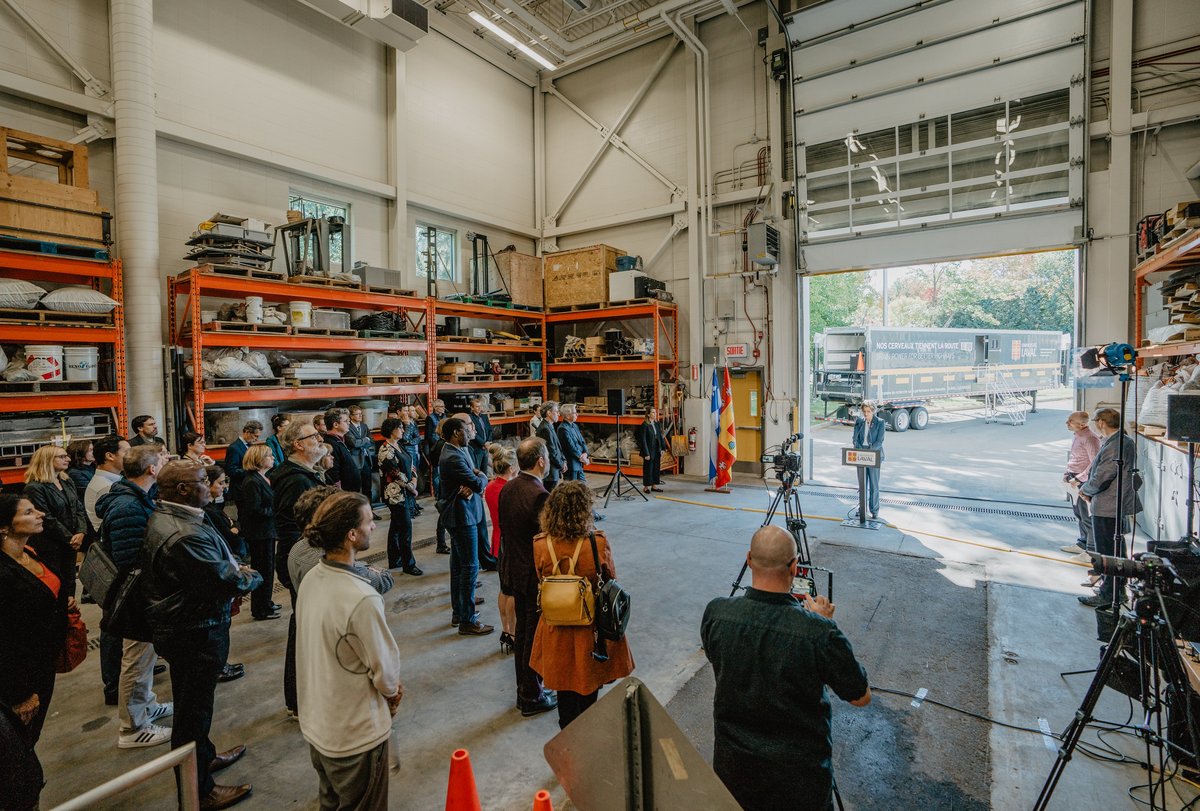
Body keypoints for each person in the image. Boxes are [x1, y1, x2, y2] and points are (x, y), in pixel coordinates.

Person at [702, 526, 871, 811]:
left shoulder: (716, 613)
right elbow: (860, 696)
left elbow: (717, 657)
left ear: (748, 559)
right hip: (798, 783)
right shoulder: (818, 633)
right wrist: (824, 624)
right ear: (794, 567)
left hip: (733, 775)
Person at [142, 461, 262, 810]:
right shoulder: (184, 533)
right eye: (202, 482)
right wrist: (250, 576)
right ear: (182, 489)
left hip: (191, 625)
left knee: (195, 707)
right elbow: (225, 579)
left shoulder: (178, 516)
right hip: (194, 631)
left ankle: (203, 756)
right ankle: (199, 791)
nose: (211, 487)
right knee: (193, 713)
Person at [295, 491, 402, 810]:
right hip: (356, 738)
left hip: (320, 728)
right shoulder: (362, 598)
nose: (373, 527)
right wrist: (392, 694)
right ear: (351, 534)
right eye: (369, 522)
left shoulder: (313, 578)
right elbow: (386, 674)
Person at [529, 481, 632, 728]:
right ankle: (586, 740)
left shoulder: (541, 544)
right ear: (585, 509)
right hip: (589, 630)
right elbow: (611, 581)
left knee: (564, 688)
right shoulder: (596, 543)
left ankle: (567, 741)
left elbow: (540, 580)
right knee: (588, 687)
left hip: (556, 629)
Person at [96, 446, 174, 749]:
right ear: (152, 470)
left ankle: (146, 705)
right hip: (136, 597)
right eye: (163, 460)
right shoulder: (128, 507)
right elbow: (132, 560)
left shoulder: (133, 498)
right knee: (136, 659)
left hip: (142, 594)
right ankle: (132, 727)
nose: (167, 463)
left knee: (144, 656)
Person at [0, 495, 69, 746]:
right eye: (29, 512)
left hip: (43, 661)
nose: (40, 514)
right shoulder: (4, 573)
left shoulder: (29, 551)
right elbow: (5, 639)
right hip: (23, 674)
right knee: (21, 740)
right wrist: (21, 693)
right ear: (4, 527)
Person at [271, 420, 327, 719]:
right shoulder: (295, 480)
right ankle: (300, 699)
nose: (320, 439)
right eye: (313, 436)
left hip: (303, 555)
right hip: (305, 558)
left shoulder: (302, 474)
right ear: (298, 445)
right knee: (306, 628)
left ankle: (303, 696)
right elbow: (293, 524)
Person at [498, 438, 557, 717]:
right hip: (532, 576)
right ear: (541, 461)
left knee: (522, 634)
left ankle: (525, 691)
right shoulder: (539, 495)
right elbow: (546, 539)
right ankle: (532, 696)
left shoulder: (508, 487)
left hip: (513, 571)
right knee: (533, 637)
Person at [1078, 408, 1141, 608]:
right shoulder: (1122, 441)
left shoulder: (1116, 445)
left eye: (1097, 421)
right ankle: (1114, 589)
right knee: (1115, 549)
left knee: (1107, 552)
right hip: (1113, 504)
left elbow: (1103, 476)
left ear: (1102, 422)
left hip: (1108, 505)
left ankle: (1110, 593)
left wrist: (1085, 489)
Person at [438, 416, 493, 636]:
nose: (470, 434)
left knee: (460, 565)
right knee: (469, 566)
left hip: (466, 513)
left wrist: (476, 477)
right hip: (462, 517)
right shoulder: (452, 457)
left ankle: (460, 610)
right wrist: (478, 478)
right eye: (465, 430)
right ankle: (467, 620)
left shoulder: (459, 450)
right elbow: (477, 482)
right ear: (455, 433)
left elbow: (475, 477)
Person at [289, 487, 394, 597]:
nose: (373, 526)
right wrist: (369, 568)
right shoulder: (342, 570)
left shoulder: (296, 549)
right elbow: (384, 579)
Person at [23, 445, 86, 600]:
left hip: (70, 542)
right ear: (47, 460)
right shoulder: (34, 488)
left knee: (70, 584)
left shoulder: (67, 481)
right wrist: (70, 538)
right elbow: (46, 518)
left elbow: (78, 508)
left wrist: (80, 532)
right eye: (62, 456)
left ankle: (71, 620)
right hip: (50, 545)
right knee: (55, 586)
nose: (68, 459)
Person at [237, 445, 281, 621]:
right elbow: (254, 510)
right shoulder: (252, 481)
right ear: (259, 459)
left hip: (267, 531)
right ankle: (260, 608)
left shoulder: (263, 477)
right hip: (259, 533)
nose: (273, 459)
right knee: (263, 569)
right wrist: (275, 510)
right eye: (269, 456)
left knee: (269, 569)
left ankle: (266, 602)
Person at [485, 445, 518, 654]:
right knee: (513, 591)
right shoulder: (509, 489)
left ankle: (506, 630)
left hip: (497, 540)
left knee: (504, 588)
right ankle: (514, 633)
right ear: (512, 466)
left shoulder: (490, 487)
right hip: (510, 542)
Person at [378, 417, 421, 575]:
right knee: (405, 529)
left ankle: (395, 559)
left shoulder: (399, 445)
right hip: (395, 495)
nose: (403, 430)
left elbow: (411, 464)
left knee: (396, 526)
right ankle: (408, 564)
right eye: (400, 428)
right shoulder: (385, 450)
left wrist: (415, 479)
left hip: (406, 491)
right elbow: (396, 474)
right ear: (391, 430)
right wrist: (412, 488)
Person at [1061, 410, 1101, 566]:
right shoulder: (1078, 436)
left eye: (1070, 421)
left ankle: (1091, 551)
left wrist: (1078, 478)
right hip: (1074, 478)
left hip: (1082, 481)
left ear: (1082, 424)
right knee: (1078, 513)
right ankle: (1082, 543)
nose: (1067, 423)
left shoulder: (1090, 439)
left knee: (1087, 516)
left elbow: (1094, 465)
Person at [557, 404, 603, 522]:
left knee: (584, 490)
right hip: (572, 465)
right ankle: (573, 516)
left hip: (579, 464)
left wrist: (585, 453)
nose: (577, 414)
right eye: (574, 412)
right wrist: (581, 456)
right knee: (571, 493)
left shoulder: (575, 426)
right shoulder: (563, 429)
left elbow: (583, 442)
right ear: (567, 416)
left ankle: (590, 514)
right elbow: (570, 446)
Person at [85, 434, 130, 534]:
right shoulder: (106, 487)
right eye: (127, 452)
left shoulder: (112, 481)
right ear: (110, 456)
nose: (131, 456)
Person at [852, 404, 886, 519]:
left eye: (868, 411)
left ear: (873, 411)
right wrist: (859, 449)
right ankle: (862, 508)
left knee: (873, 484)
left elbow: (879, 441)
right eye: (864, 412)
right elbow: (855, 438)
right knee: (862, 484)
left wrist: (869, 453)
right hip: (861, 454)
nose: (866, 414)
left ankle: (874, 510)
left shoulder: (880, 422)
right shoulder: (860, 422)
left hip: (874, 454)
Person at [320, 408, 361, 492]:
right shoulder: (331, 444)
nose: (349, 423)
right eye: (346, 421)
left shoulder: (340, 440)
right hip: (344, 494)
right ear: (335, 425)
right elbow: (333, 472)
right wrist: (340, 492)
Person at [223, 420, 263, 496]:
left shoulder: (251, 445)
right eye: (256, 436)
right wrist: (252, 471)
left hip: (250, 487)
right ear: (247, 432)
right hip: (240, 489)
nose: (257, 439)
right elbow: (230, 470)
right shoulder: (234, 448)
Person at [346, 405, 376, 502]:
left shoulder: (364, 426)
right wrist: (365, 440)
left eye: (361, 414)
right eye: (357, 414)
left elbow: (371, 440)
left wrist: (362, 443)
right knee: (356, 487)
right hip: (355, 460)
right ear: (351, 416)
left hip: (366, 459)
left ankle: (370, 509)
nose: (360, 416)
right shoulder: (348, 427)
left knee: (368, 486)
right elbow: (353, 443)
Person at [536, 401, 565, 491]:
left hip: (554, 469)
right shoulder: (545, 429)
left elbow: (557, 447)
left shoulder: (549, 426)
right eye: (556, 411)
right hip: (550, 472)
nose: (558, 414)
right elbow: (551, 451)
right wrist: (561, 464)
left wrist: (563, 460)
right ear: (548, 413)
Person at [635, 407, 665, 493]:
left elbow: (660, 436)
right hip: (649, 450)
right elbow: (643, 440)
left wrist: (662, 448)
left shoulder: (656, 424)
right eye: (653, 413)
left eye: (655, 413)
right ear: (648, 414)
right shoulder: (644, 425)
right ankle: (646, 487)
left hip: (656, 449)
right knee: (648, 468)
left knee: (656, 467)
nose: (655, 414)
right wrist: (646, 453)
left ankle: (654, 486)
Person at [424, 398, 447, 499]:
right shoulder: (430, 418)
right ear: (435, 408)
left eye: (443, 406)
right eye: (441, 406)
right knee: (436, 472)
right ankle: (437, 494)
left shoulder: (444, 417)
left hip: (444, 446)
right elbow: (429, 436)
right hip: (435, 448)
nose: (443, 408)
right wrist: (437, 444)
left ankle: (443, 492)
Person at [65, 439, 95, 506]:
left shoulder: (93, 467)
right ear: (81, 452)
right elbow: (91, 493)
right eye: (90, 450)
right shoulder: (74, 473)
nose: (94, 452)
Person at [468, 396, 493, 473]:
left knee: (484, 471)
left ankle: (485, 485)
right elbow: (473, 433)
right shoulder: (470, 418)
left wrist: (488, 442)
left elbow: (489, 430)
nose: (479, 408)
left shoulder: (484, 417)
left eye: (480, 406)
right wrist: (483, 443)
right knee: (477, 471)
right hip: (477, 448)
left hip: (485, 448)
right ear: (472, 408)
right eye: (477, 406)